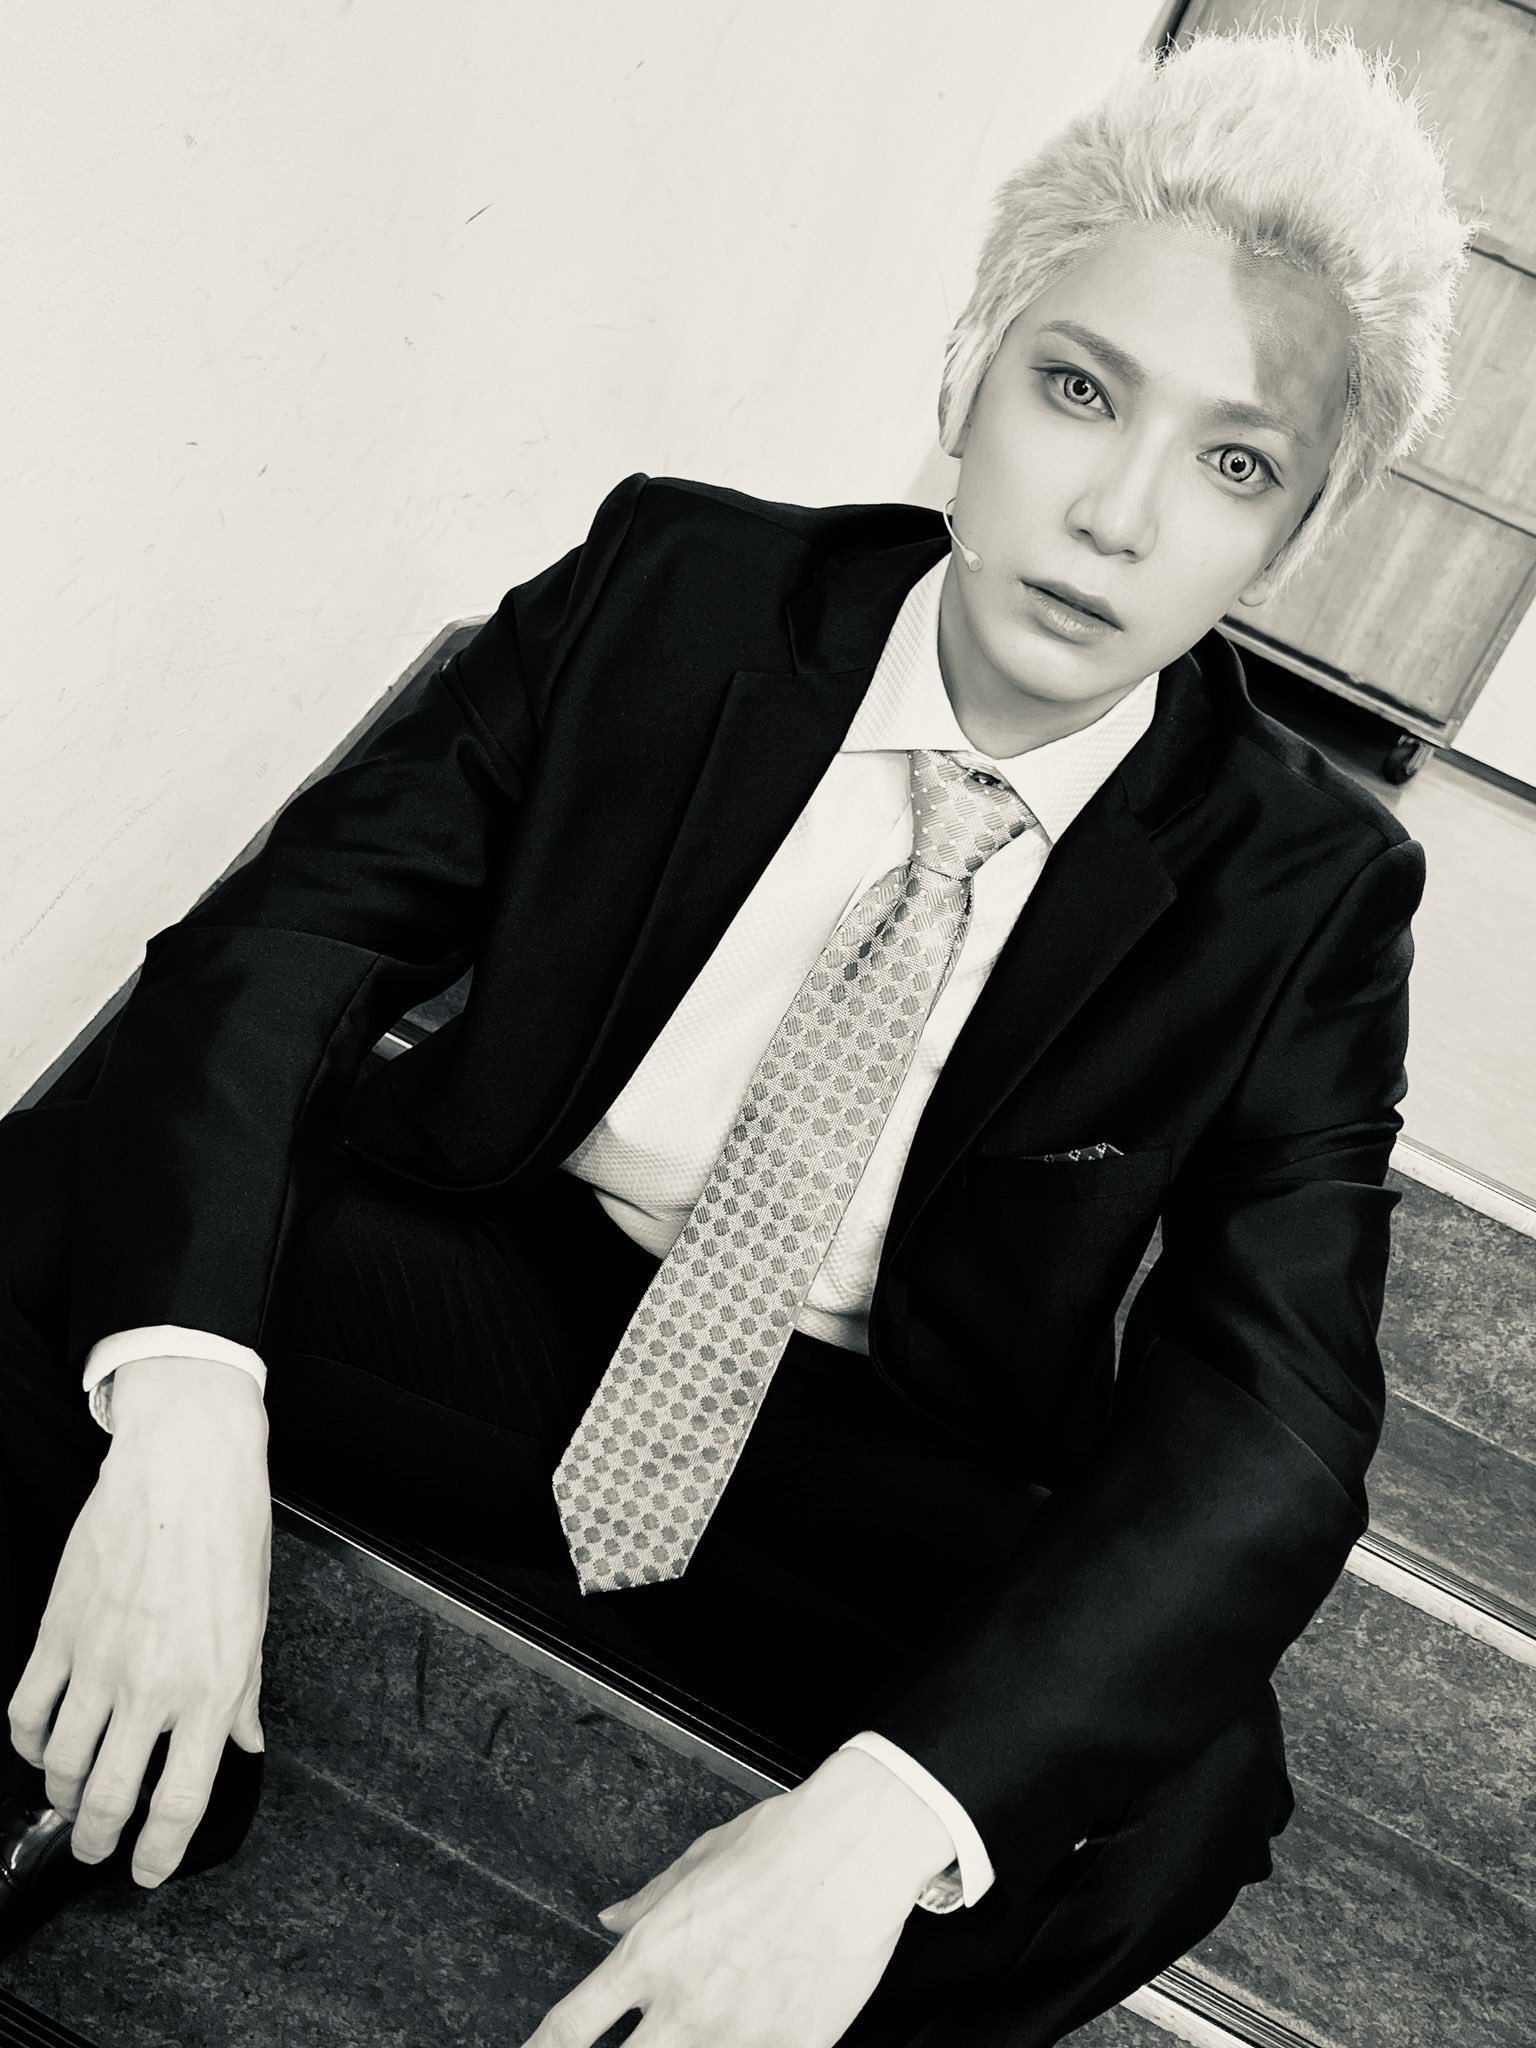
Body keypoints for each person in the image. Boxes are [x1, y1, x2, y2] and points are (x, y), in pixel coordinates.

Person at [0, 23, 1471, 2047]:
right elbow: (290, 943)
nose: (1120, 515)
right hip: (513, 1296)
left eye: (1235, 466)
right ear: (964, 371)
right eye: (1077, 389)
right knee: (71, 1206)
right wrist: (183, 1426)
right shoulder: (677, 591)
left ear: (1286, 541)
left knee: (1183, 1789)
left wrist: (887, 1814)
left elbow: (1275, 1422)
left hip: (865, 1446)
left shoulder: (1306, 890)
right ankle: (105, 1771)